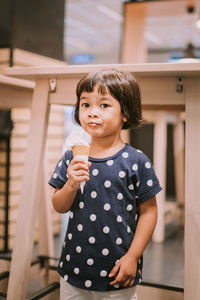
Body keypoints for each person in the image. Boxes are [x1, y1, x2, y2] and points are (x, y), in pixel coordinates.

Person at [48, 68, 162, 299]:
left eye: (104, 105)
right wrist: (70, 183)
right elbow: (59, 206)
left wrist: (133, 257)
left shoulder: (136, 161)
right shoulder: (71, 157)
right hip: (73, 268)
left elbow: (149, 212)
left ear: (125, 113)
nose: (92, 113)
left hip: (118, 271)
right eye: (85, 104)